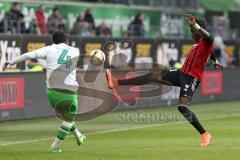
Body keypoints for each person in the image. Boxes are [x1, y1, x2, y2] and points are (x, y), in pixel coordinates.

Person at [105, 14, 223, 147]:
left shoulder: (206, 41)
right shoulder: (199, 45)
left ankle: (204, 133)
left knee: (182, 107)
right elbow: (211, 52)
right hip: (181, 73)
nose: (191, 34)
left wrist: (195, 25)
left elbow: (209, 38)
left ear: (198, 30)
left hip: (191, 79)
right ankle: (117, 82)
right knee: (151, 76)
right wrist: (216, 61)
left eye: (193, 32)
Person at [4, 31, 86, 153]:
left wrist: (11, 62)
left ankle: (78, 135)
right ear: (66, 40)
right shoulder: (75, 51)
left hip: (52, 91)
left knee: (66, 116)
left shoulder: (48, 49)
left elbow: (28, 55)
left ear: (54, 41)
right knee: (68, 120)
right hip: (69, 90)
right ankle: (55, 146)